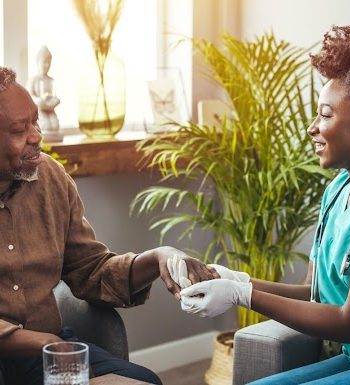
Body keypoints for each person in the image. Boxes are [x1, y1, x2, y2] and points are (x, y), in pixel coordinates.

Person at [178, 25, 350, 384]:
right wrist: (236, 279)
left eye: (325, 114)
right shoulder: (337, 191)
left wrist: (243, 296)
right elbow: (313, 292)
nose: (311, 128)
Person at [0, 66, 218, 385]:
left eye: (35, 121)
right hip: (41, 349)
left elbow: (89, 270)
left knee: (145, 381)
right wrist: (44, 343)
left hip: (52, 349)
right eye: (20, 129)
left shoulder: (51, 178)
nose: (36, 136)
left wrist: (158, 258)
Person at [26, 45, 63, 142]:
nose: (46, 65)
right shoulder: (33, 80)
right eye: (44, 62)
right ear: (38, 62)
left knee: (54, 126)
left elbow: (54, 96)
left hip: (50, 109)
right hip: (39, 110)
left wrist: (54, 102)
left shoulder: (51, 80)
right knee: (45, 126)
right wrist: (40, 102)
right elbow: (29, 97)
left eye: (49, 62)